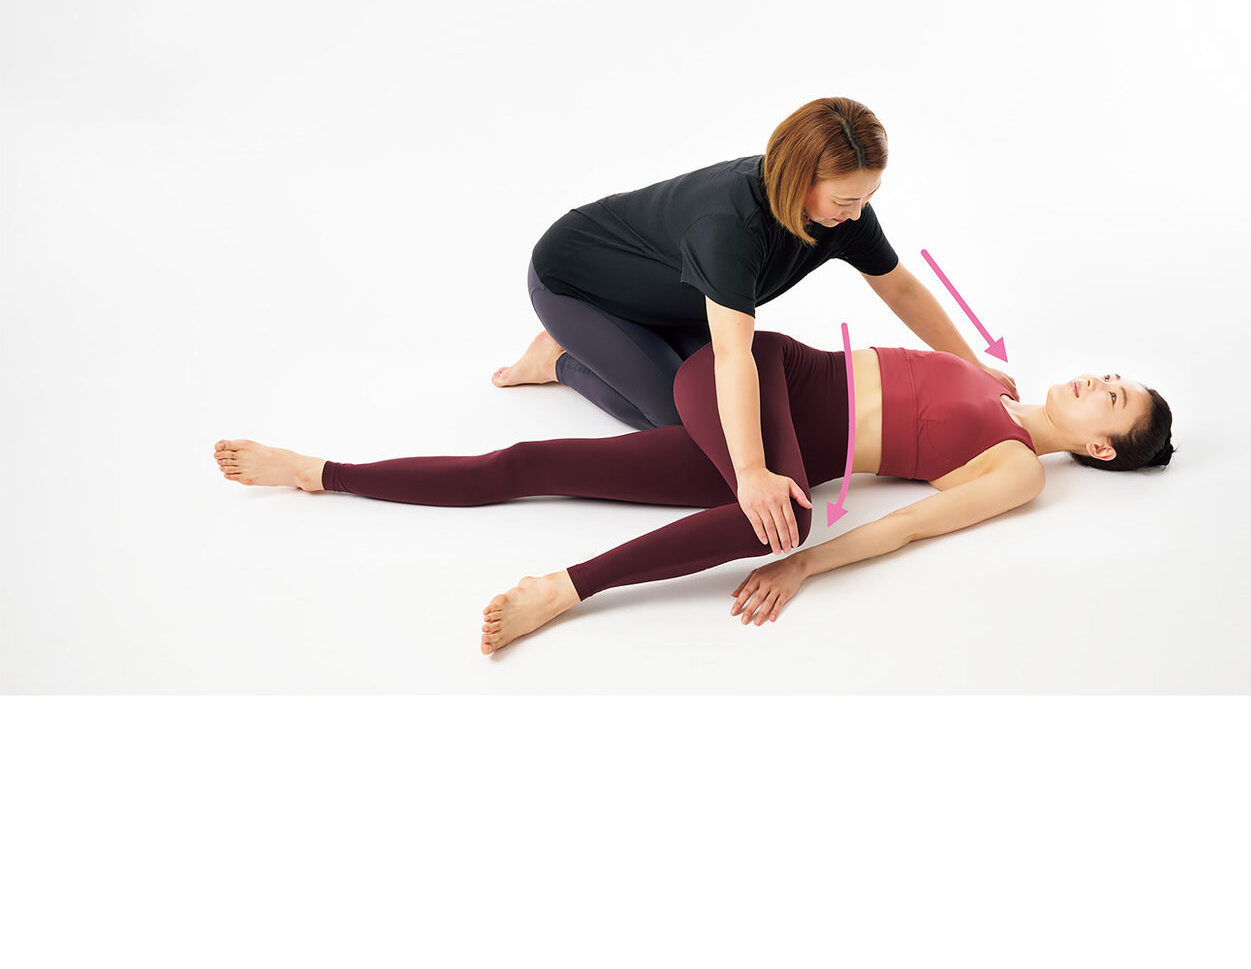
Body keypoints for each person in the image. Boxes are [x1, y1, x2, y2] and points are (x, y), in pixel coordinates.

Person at [213, 332, 1174, 655]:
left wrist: (801, 569)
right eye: (1111, 375)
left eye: (1114, 398)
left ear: (1099, 447)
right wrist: (789, 533)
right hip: (763, 374)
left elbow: (910, 528)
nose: (1099, 379)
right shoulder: (997, 378)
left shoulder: (1016, 466)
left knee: (535, 463)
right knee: (781, 507)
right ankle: (571, 588)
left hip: (755, 448)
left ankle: (318, 472)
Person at [491, 96, 1015, 560]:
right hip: (575, 286)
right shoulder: (731, 225)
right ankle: (558, 359)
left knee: (711, 405)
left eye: (868, 197)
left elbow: (900, 289)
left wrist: (972, 366)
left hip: (670, 301)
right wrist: (751, 474)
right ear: (799, 179)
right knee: (684, 420)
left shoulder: (844, 218)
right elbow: (733, 354)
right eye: (844, 201)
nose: (858, 215)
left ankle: (580, 353)